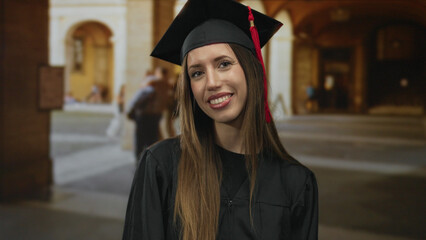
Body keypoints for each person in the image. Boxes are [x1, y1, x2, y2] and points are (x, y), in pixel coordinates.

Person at [123, 0, 318, 239]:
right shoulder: (161, 166)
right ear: (189, 88)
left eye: (224, 64)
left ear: (252, 71)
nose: (212, 82)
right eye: (197, 73)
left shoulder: (296, 182)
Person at [127, 67, 172, 160]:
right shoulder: (167, 85)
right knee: (152, 139)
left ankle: (139, 160)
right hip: (156, 116)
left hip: (144, 116)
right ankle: (151, 160)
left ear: (159, 73)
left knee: (140, 140)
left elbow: (138, 97)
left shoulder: (153, 83)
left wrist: (130, 108)